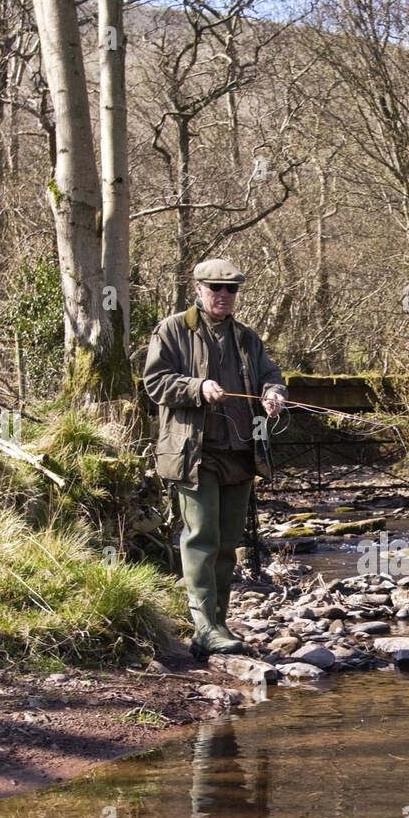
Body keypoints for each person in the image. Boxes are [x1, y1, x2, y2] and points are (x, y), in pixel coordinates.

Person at [142, 258, 287, 656]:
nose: (224, 295)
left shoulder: (246, 337)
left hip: (241, 454)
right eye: (216, 288)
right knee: (201, 539)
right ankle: (205, 626)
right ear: (199, 289)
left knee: (227, 544)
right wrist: (197, 387)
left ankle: (217, 625)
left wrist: (274, 394)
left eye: (231, 289)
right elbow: (155, 383)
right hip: (195, 454)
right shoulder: (172, 329)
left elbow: (271, 375)